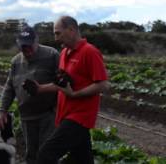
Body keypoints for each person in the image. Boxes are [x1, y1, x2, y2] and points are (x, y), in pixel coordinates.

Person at [32, 16, 110, 164]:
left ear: (71, 30)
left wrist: (75, 94)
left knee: (45, 155)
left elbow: (103, 84)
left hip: (79, 117)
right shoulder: (64, 53)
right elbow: (62, 84)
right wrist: (40, 88)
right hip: (65, 114)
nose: (56, 38)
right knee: (82, 159)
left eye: (58, 33)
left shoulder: (89, 52)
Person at [0, 26, 59, 164]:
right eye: (23, 47)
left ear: (36, 41)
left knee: (46, 153)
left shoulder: (51, 55)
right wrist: (2, 111)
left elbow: (62, 83)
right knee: (31, 154)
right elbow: (9, 87)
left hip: (48, 115)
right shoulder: (16, 61)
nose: (27, 50)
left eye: (30, 46)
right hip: (27, 117)